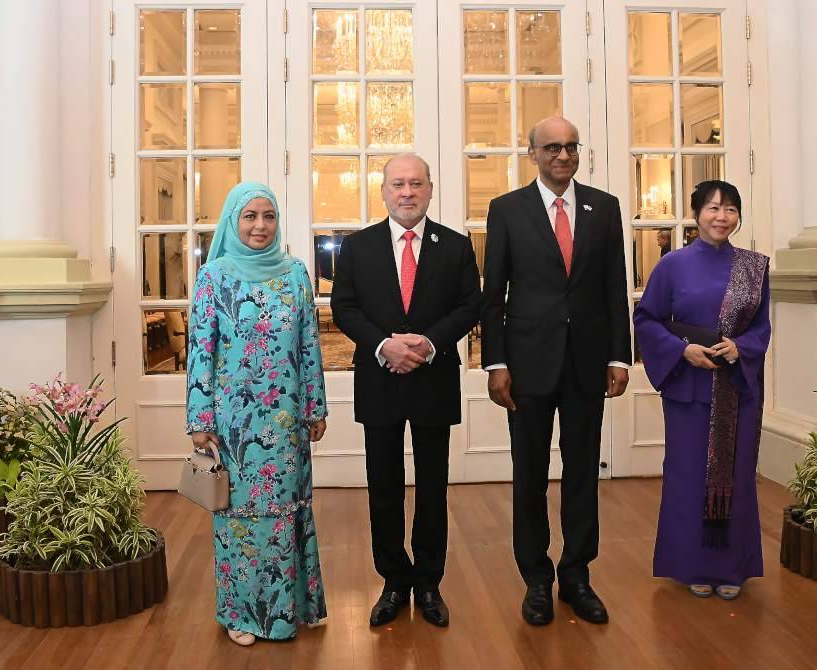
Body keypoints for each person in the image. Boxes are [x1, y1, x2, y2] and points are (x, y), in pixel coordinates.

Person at [480, 117, 631, 626]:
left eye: (570, 147)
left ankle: (577, 575)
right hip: (527, 366)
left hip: (587, 363)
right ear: (533, 154)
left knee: (583, 472)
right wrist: (496, 362)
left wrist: (619, 356)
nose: (563, 156)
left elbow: (614, 287)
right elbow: (493, 295)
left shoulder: (604, 208)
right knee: (529, 475)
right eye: (551, 148)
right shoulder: (507, 210)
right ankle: (536, 579)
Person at [330, 154, 481, 628]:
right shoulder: (358, 247)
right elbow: (344, 307)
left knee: (433, 487)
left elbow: (470, 305)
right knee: (384, 487)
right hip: (380, 379)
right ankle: (393, 581)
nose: (407, 192)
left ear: (430, 189)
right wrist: (384, 346)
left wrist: (429, 343)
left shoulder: (455, 246)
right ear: (383, 192)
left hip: (434, 379)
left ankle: (429, 583)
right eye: (398, 184)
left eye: (416, 183)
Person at [186, 182, 328, 646]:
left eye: (268, 216)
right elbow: (200, 350)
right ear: (233, 221)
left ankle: (289, 610)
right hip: (234, 423)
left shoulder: (295, 273)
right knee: (240, 516)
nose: (260, 226)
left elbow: (308, 344)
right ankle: (243, 615)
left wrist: (315, 406)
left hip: (287, 419)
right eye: (249, 216)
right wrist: (200, 419)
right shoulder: (214, 277)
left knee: (285, 511)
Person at [632, 179, 771, 601]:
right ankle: (691, 564)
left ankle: (731, 568)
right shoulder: (672, 266)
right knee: (689, 476)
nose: (721, 217)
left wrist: (741, 347)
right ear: (696, 214)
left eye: (730, 209)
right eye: (713, 208)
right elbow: (646, 320)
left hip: (737, 389)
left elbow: (761, 327)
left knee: (737, 478)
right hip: (689, 390)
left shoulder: (754, 267)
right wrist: (682, 350)